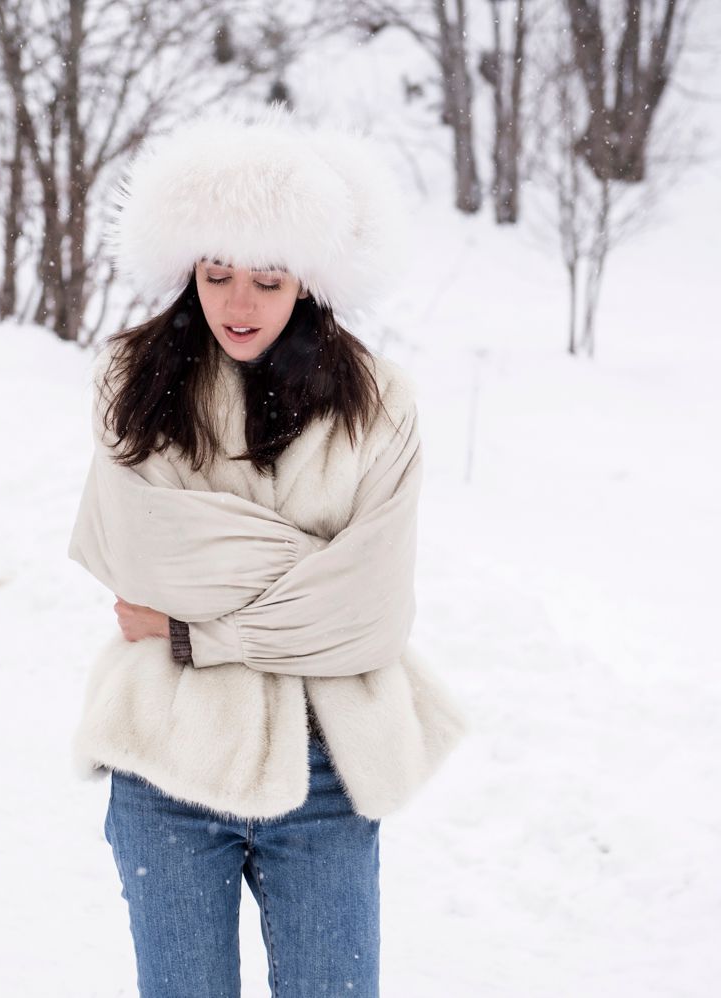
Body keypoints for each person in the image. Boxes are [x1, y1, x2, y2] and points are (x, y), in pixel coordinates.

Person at [67, 104, 470, 998]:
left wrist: (192, 632)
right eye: (216, 275)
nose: (237, 305)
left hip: (326, 770)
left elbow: (367, 617)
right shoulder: (130, 383)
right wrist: (311, 570)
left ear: (312, 281)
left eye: (268, 279)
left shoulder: (380, 401)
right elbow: (147, 562)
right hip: (166, 763)